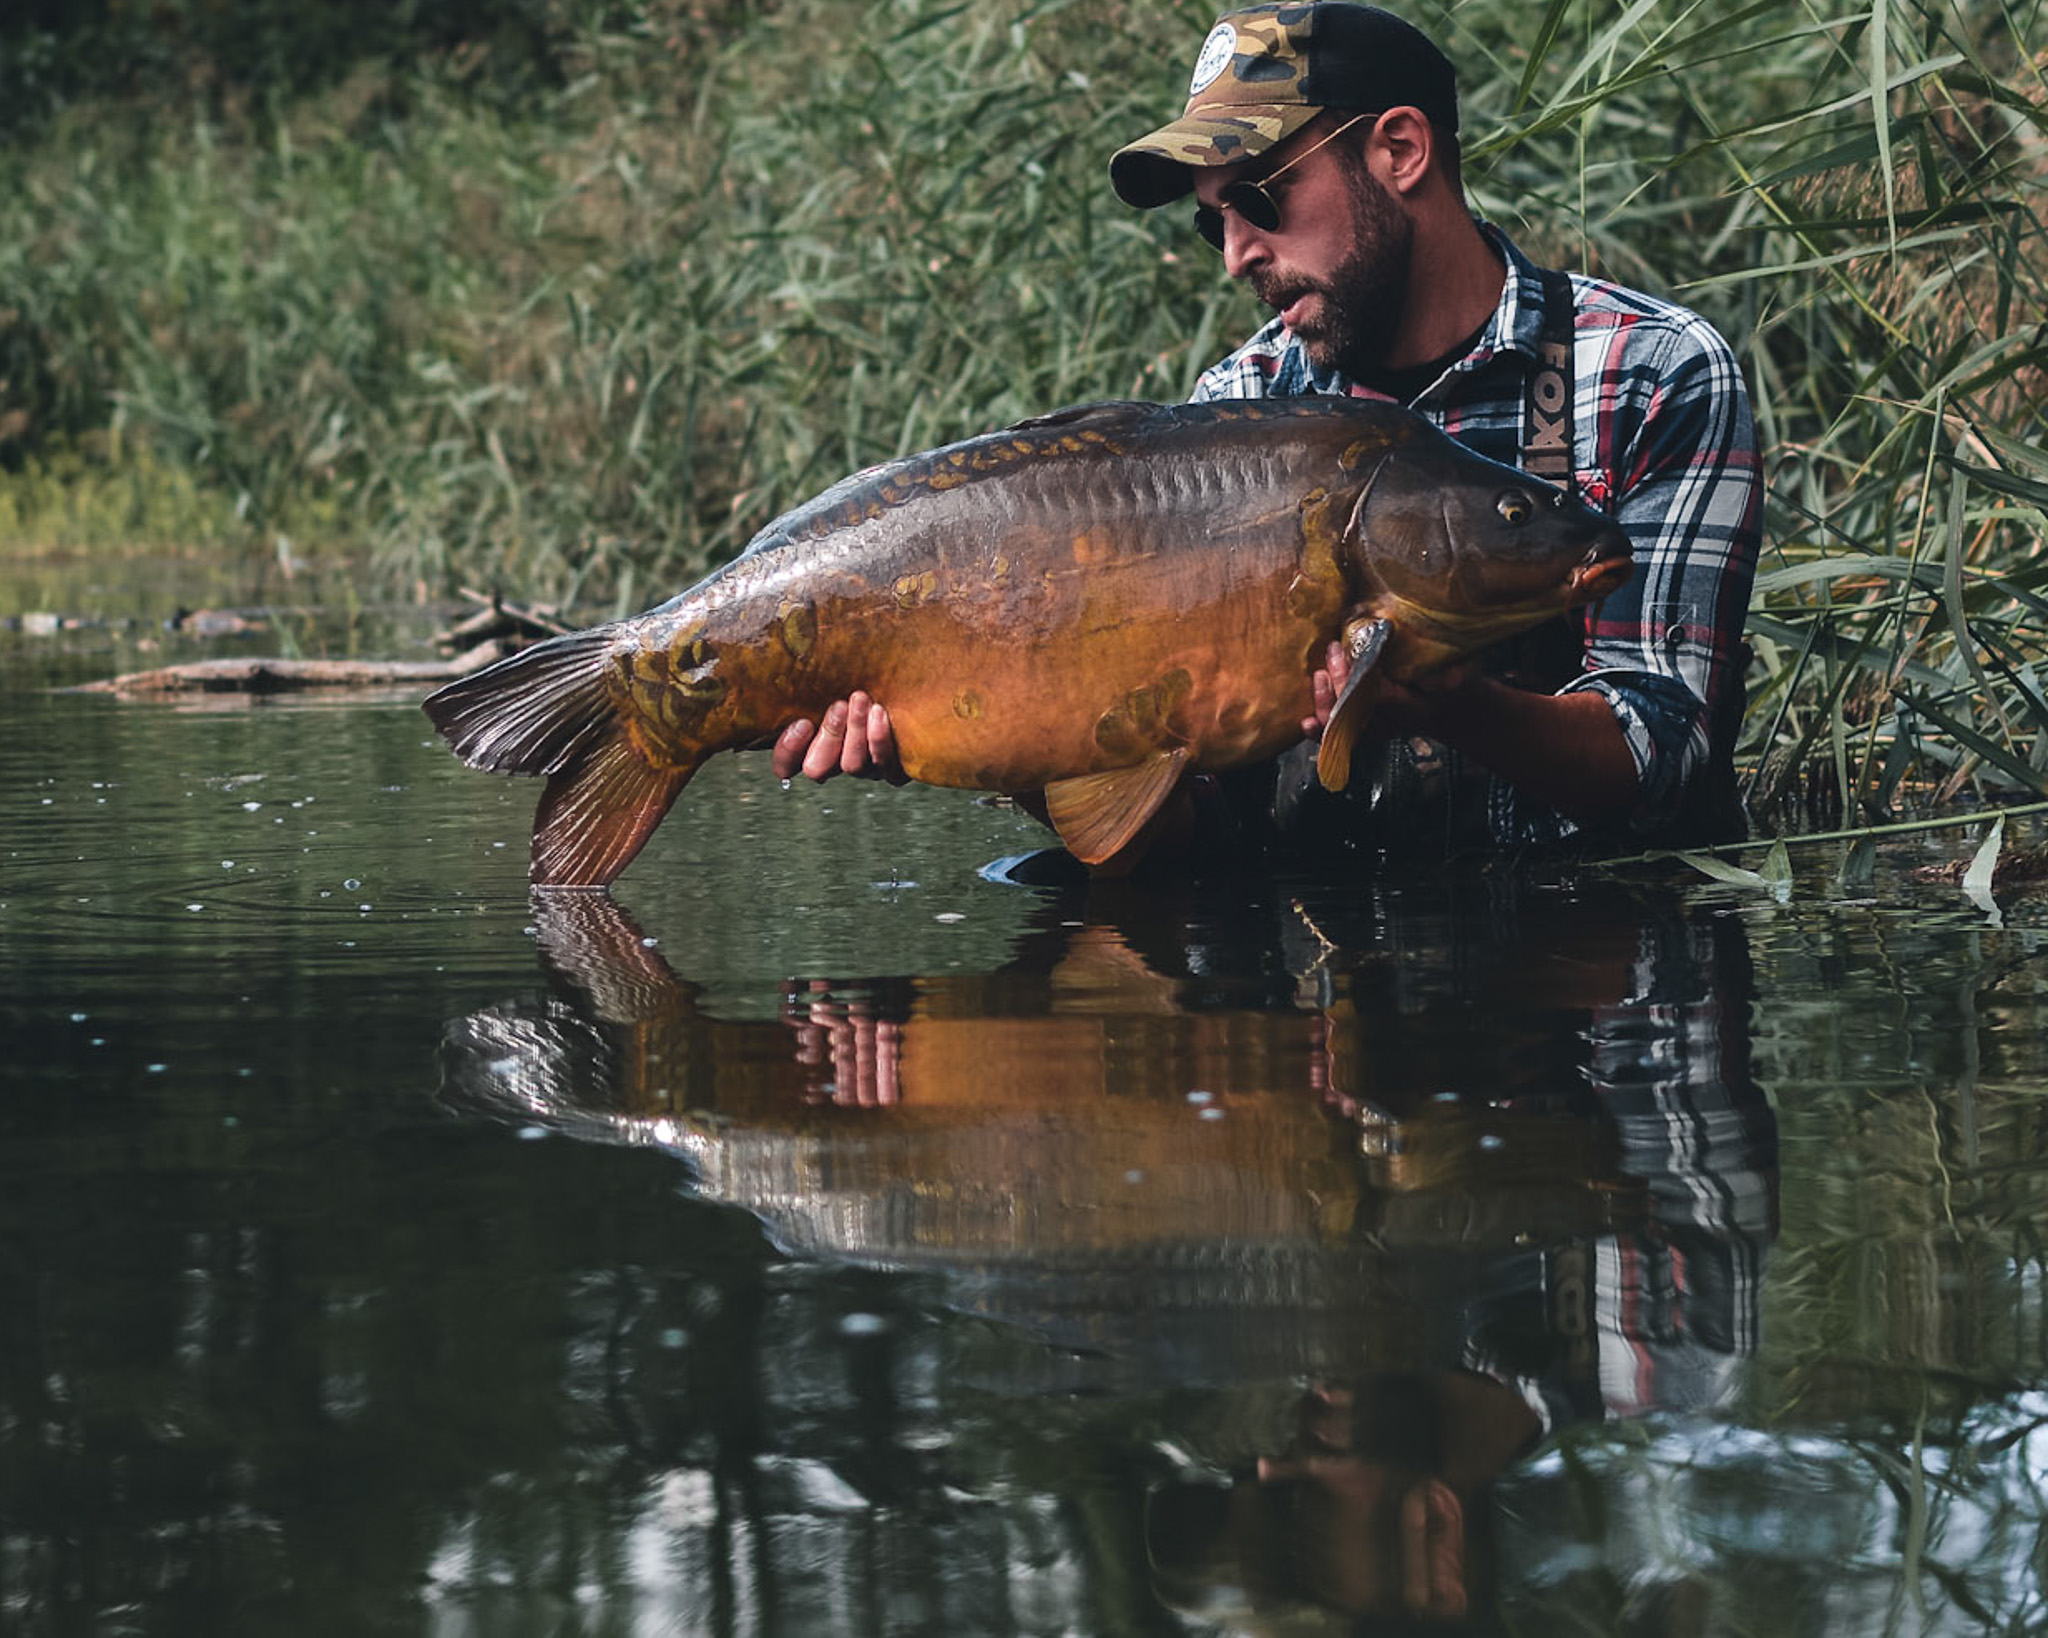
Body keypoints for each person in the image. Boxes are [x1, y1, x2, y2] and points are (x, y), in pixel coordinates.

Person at [774, 1, 1763, 857]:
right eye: (1213, 225)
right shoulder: (1228, 417)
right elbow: (1192, 832)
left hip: (1602, 984)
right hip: (1326, 1001)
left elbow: (1662, 754)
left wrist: (1455, 705)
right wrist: (1029, 750)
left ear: (1399, 150)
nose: (1235, 256)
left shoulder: (1646, 371)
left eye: (1257, 199)